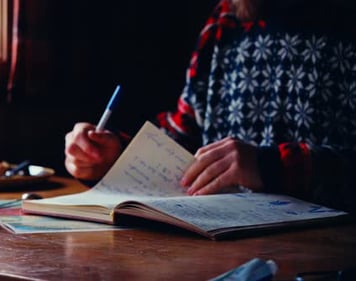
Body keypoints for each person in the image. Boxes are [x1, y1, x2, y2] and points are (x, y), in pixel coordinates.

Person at [64, 0, 356, 212]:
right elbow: (184, 136)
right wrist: (115, 156)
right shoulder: (226, 21)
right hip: (221, 245)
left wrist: (272, 166)